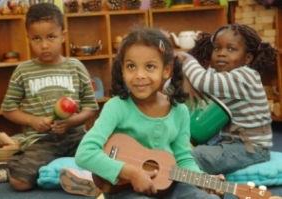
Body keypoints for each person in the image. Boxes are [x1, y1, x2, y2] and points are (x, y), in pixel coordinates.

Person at [60, 27, 225, 199]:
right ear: (122, 70)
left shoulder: (179, 110)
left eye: (150, 66)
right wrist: (132, 173)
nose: (139, 75)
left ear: (166, 70)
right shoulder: (117, 107)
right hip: (125, 190)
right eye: (131, 66)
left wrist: (202, 180)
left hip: (169, 186)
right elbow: (85, 153)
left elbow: (183, 159)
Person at [0, 2, 99, 191]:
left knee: (108, 161)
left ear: (63, 36)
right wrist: (33, 120)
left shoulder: (76, 67)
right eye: (36, 38)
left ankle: (56, 172)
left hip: (74, 137)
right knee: (18, 183)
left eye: (51, 37)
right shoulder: (22, 71)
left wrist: (71, 122)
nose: (44, 45)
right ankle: (68, 172)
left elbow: (91, 107)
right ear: (27, 37)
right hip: (40, 141)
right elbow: (8, 109)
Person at [166, 23, 276, 175]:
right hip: (228, 142)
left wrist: (188, 59)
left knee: (189, 156)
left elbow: (200, 81)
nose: (221, 53)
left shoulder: (246, 76)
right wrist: (185, 80)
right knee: (176, 149)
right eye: (217, 48)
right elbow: (168, 88)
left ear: (248, 58)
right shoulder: (217, 74)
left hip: (251, 149)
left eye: (231, 49)